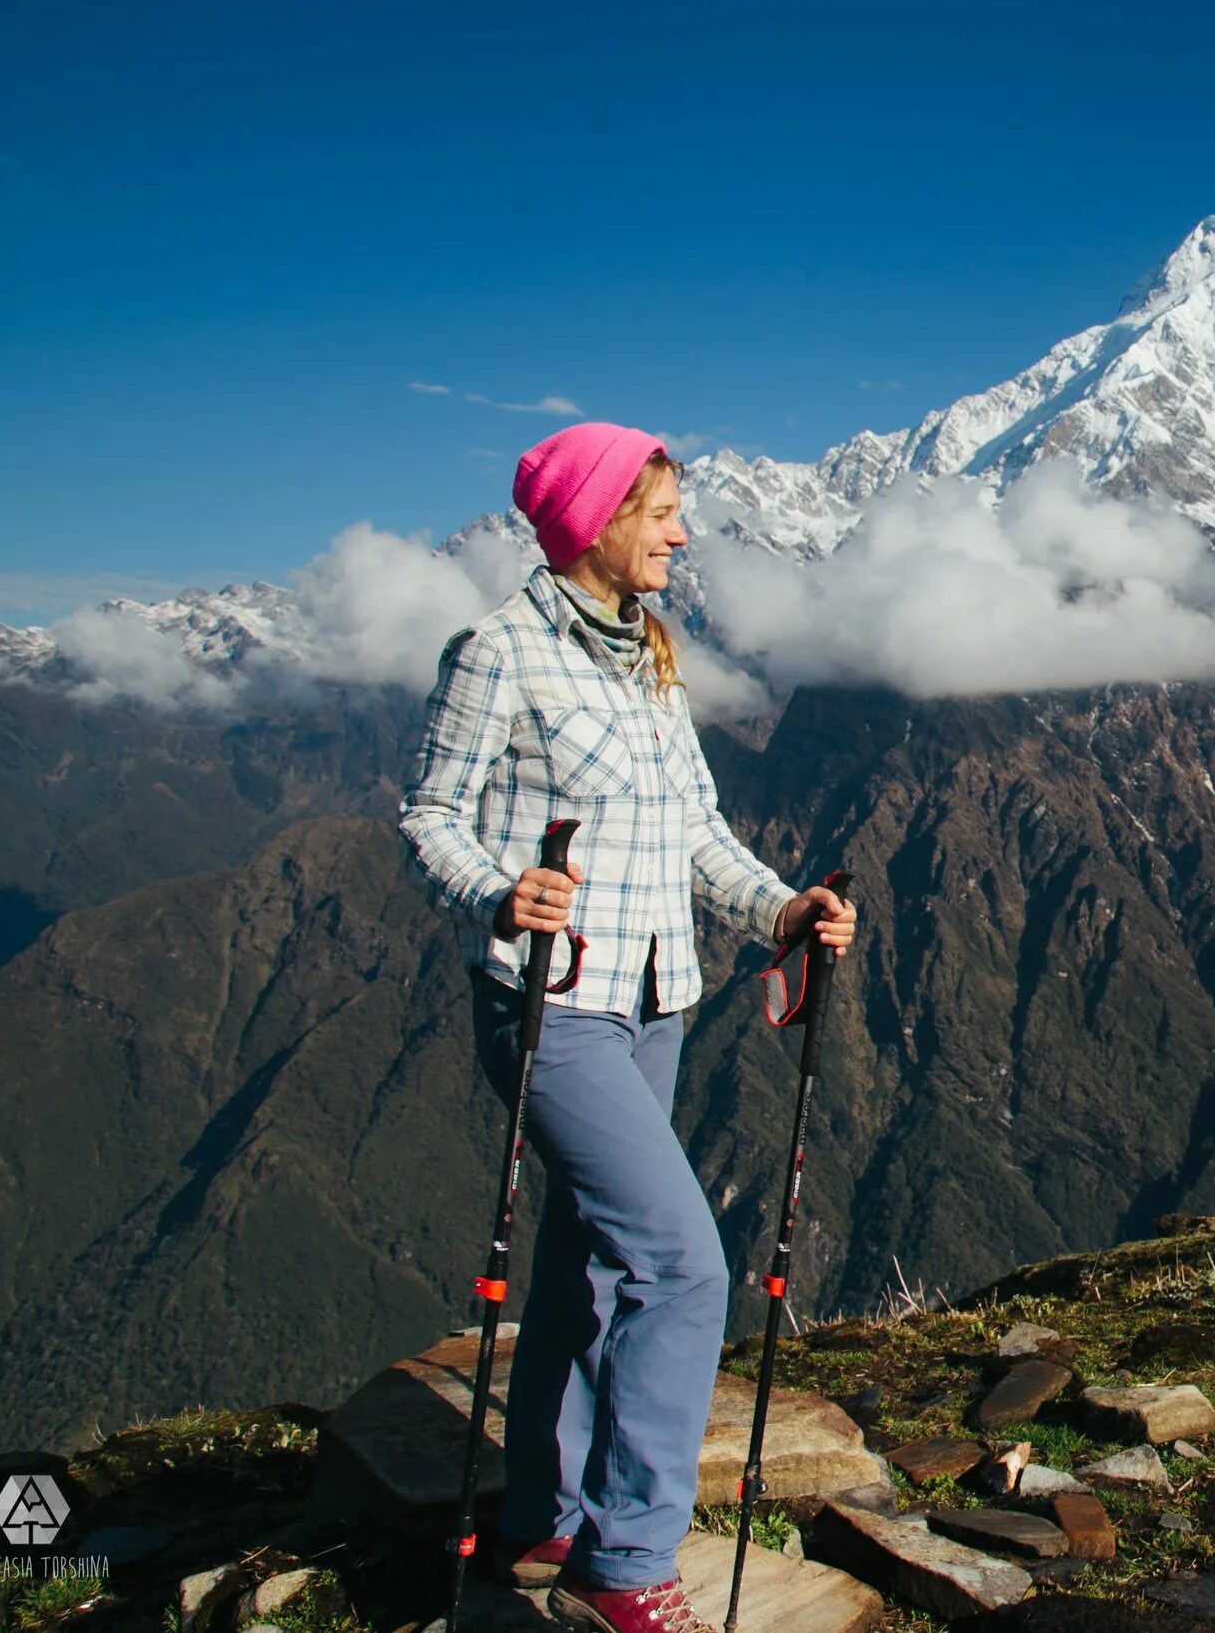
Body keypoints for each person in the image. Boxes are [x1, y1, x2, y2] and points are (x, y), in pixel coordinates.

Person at [399, 420, 855, 1633]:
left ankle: (546, 1511)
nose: (680, 532)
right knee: (680, 1263)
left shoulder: (651, 651)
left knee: (594, 1263)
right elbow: (428, 816)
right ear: (596, 521)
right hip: (552, 1009)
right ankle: (627, 1563)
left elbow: (697, 834)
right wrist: (495, 889)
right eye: (660, 513)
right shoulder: (497, 652)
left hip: (658, 1002)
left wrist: (785, 907)